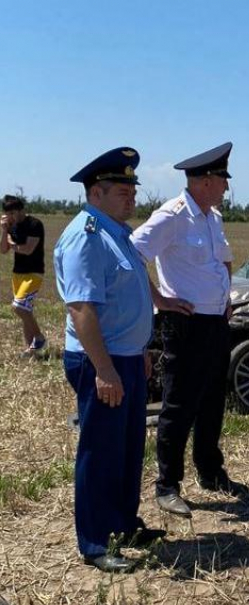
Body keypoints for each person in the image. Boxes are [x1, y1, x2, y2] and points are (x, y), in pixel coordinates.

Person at [54, 147, 165, 573]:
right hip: (100, 362)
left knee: (127, 449)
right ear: (95, 193)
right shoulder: (87, 236)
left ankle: (124, 524)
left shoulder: (117, 231)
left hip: (126, 359)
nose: (132, 197)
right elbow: (81, 309)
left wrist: (137, 354)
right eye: (123, 190)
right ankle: (95, 542)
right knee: (100, 452)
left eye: (132, 190)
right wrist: (104, 369)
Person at [130, 142, 236, 518]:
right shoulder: (171, 216)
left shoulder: (212, 217)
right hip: (185, 323)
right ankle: (167, 485)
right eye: (223, 179)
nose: (227, 186)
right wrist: (159, 299)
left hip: (215, 322)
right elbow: (132, 254)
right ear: (206, 181)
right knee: (179, 405)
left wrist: (225, 294)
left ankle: (210, 470)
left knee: (212, 401)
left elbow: (224, 259)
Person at [0, 194, 47, 355]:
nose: (13, 216)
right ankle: (31, 350)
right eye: (9, 213)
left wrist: (12, 243)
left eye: (15, 212)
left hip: (34, 273)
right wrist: (4, 230)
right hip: (17, 274)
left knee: (18, 306)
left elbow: (27, 249)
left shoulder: (35, 224)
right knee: (26, 310)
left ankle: (39, 337)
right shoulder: (12, 227)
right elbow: (3, 249)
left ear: (22, 210)